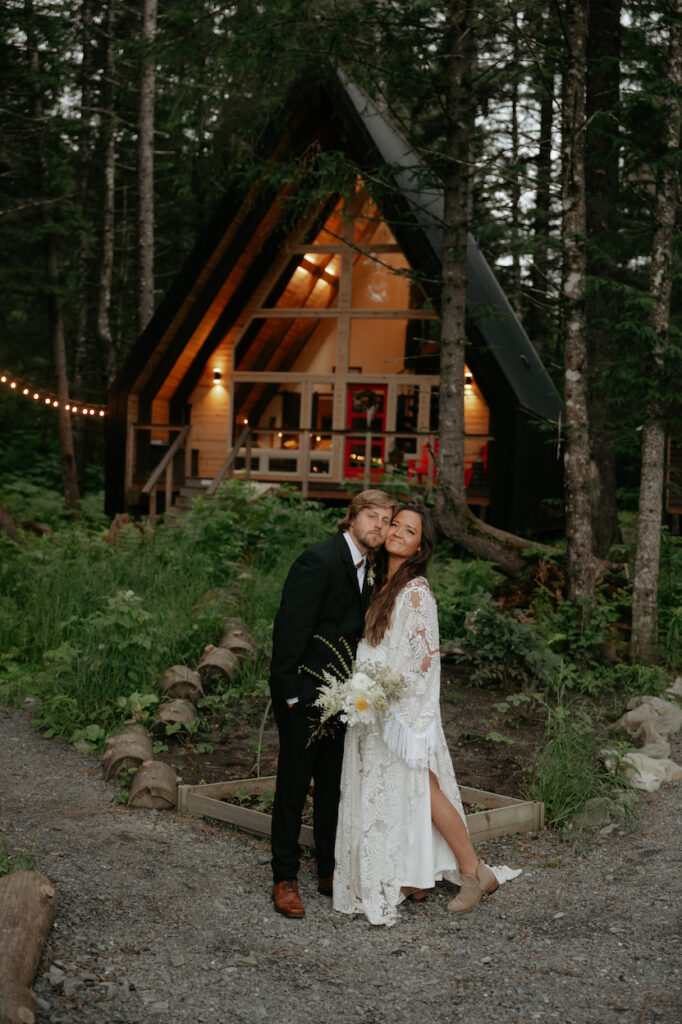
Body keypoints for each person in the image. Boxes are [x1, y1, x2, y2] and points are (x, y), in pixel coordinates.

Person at [333, 505, 501, 926]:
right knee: (397, 793)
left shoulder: (416, 591)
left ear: (420, 546)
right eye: (395, 524)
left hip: (399, 709)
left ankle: (472, 873)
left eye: (409, 531)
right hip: (373, 706)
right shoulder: (380, 581)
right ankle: (415, 876)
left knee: (424, 789)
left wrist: (384, 694)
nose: (397, 533)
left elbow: (424, 658)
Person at [269, 489, 397, 918]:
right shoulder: (318, 561)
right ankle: (284, 876)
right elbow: (289, 631)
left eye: (386, 520)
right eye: (373, 517)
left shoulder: (369, 568)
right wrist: (290, 696)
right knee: (292, 787)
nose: (380, 526)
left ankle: (328, 868)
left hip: (344, 698)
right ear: (353, 517)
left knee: (331, 788)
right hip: (304, 696)